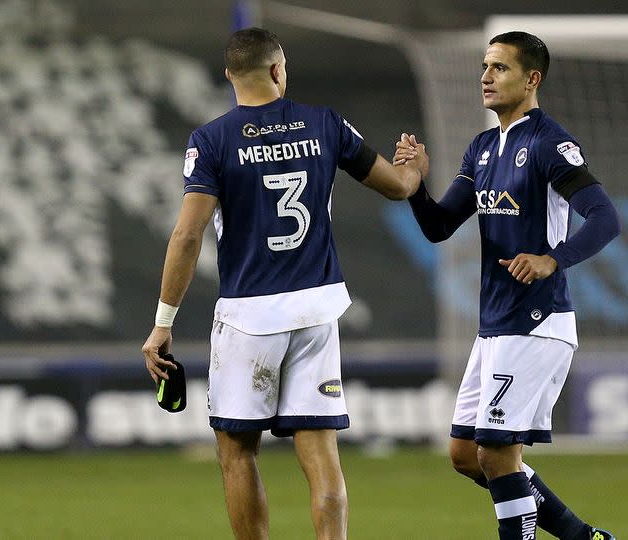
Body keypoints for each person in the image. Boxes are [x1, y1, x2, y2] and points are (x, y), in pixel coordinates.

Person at [141, 27, 427, 540]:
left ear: (230, 76)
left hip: (250, 315)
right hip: (317, 310)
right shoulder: (325, 123)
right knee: (321, 455)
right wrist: (414, 169)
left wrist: (163, 324)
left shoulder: (211, 140)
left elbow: (187, 235)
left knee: (236, 452)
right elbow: (398, 187)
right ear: (278, 69)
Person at [394, 31, 620, 540]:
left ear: (531, 79)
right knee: (465, 456)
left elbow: (605, 219)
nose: (485, 77)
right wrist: (417, 185)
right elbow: (438, 225)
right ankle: (584, 539)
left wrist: (552, 260)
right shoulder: (482, 147)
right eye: (484, 67)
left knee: (497, 453)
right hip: (495, 325)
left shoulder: (549, 144)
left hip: (537, 323)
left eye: (499, 68)